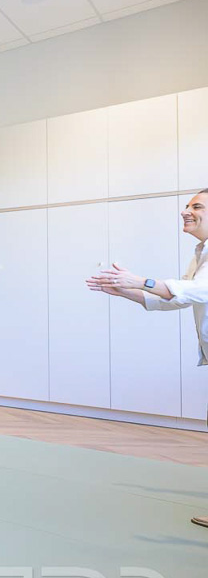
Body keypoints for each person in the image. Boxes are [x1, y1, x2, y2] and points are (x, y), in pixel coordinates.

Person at [87, 189, 208, 528]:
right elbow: (177, 298)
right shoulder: (201, 253)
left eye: (197, 206)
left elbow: (198, 291)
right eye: (186, 206)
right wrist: (126, 291)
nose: (186, 211)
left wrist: (141, 280)